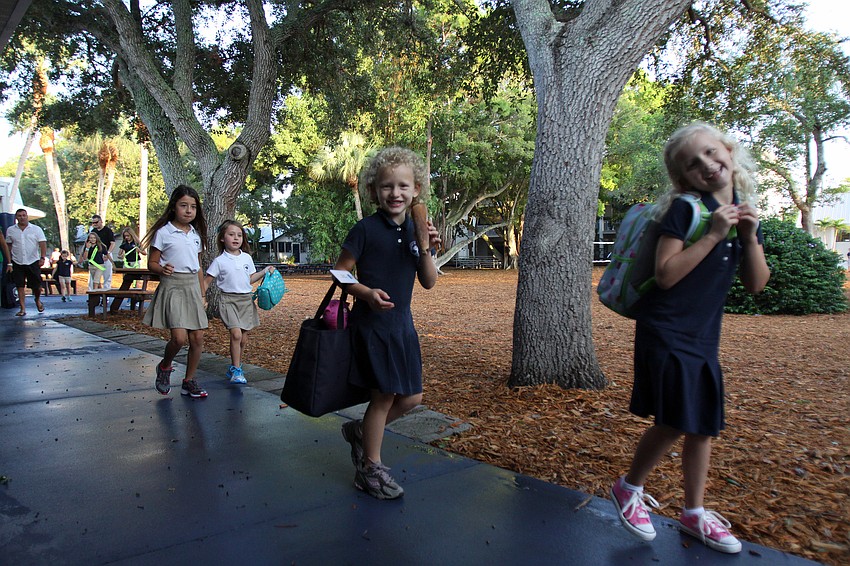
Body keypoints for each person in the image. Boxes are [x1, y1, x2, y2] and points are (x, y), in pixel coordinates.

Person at [609, 122, 771, 554]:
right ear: (682, 178)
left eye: (711, 153)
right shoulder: (686, 209)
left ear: (730, 154)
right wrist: (716, 232)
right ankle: (629, 487)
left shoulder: (742, 211)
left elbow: (757, 285)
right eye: (692, 163)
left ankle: (694, 513)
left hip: (702, 336)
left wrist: (748, 236)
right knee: (677, 420)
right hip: (667, 331)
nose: (706, 165)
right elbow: (666, 275)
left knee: (702, 427)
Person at [335, 147, 440, 500]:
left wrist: (427, 248)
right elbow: (339, 272)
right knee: (383, 397)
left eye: (402, 186)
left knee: (412, 397)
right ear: (373, 191)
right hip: (373, 325)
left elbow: (428, 281)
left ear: (415, 191)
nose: (395, 193)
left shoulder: (416, 229)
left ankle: (362, 433)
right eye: (386, 187)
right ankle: (371, 468)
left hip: (402, 325)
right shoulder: (365, 229)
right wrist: (365, 293)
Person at [140, 185, 209, 399]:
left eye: (193, 207)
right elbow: (152, 263)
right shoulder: (164, 232)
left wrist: (203, 293)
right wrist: (162, 268)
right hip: (173, 286)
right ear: (174, 207)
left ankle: (188, 381)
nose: (189, 211)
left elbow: (198, 266)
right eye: (183, 206)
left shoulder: (196, 235)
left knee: (197, 338)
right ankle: (165, 366)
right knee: (179, 339)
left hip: (192, 287)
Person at [203, 220, 275, 384]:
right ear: (222, 238)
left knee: (242, 339)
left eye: (239, 235)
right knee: (235, 334)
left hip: (246, 300)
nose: (236, 238)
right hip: (228, 300)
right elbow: (206, 281)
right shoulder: (219, 261)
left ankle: (236, 366)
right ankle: (237, 370)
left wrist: (264, 271)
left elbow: (250, 279)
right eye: (231, 234)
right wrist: (202, 297)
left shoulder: (246, 258)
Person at [5, 209, 48, 316]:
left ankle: (37, 300)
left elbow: (42, 243)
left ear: (27, 216)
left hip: (33, 261)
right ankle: (22, 308)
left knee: (37, 286)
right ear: (16, 217)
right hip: (17, 261)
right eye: (19, 215)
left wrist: (42, 257)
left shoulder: (36, 229)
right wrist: (9, 261)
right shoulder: (11, 230)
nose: (22, 217)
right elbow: (8, 245)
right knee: (20, 286)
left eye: (24, 215)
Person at [89, 214, 116, 289]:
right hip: (95, 256)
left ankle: (106, 295)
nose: (94, 224)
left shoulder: (108, 231)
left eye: (96, 222)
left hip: (106, 253)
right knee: (94, 277)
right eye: (93, 223)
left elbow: (112, 243)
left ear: (101, 221)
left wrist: (108, 253)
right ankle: (94, 294)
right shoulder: (93, 231)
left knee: (107, 276)